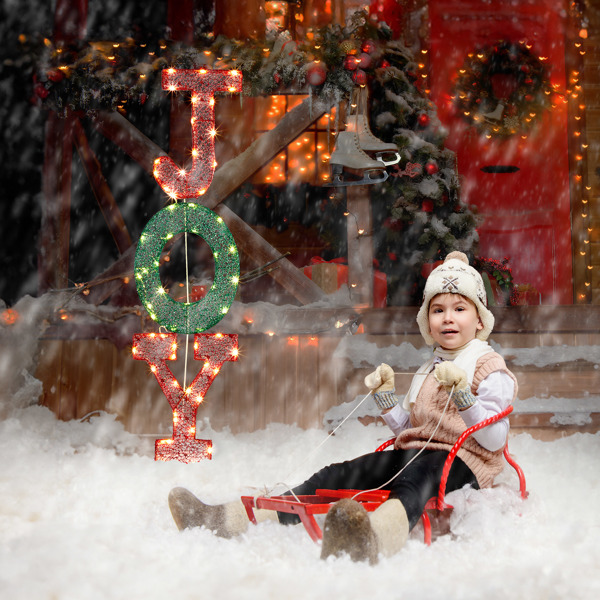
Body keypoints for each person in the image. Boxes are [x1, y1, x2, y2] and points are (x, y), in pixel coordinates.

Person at [168, 251, 518, 564]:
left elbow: (493, 440)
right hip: (419, 452)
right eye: (438, 310)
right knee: (341, 472)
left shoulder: (487, 365)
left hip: (465, 460)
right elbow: (411, 431)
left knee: (416, 480)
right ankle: (229, 520)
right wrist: (385, 398)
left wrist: (463, 397)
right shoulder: (430, 368)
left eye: (460, 309)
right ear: (428, 323)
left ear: (479, 320)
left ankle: (374, 537)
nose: (448, 318)